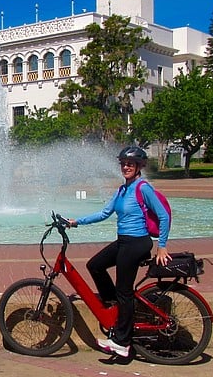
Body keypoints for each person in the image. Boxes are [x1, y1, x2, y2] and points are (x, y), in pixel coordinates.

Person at [68, 146, 171, 358]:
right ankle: (113, 308)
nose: (126, 167)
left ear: (139, 166)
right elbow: (104, 213)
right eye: (123, 164)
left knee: (124, 291)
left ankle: (122, 342)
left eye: (130, 164)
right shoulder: (122, 190)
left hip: (137, 243)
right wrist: (76, 222)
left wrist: (162, 245)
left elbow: (163, 216)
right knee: (95, 265)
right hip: (124, 241)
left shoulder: (143, 188)